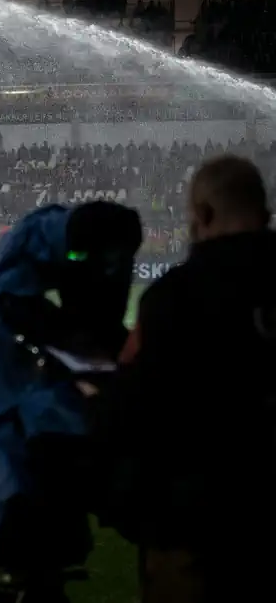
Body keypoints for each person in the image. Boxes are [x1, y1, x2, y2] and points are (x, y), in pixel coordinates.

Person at [91, 155, 276, 603]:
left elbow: (130, 414)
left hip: (197, 529)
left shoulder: (173, 297)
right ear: (266, 215)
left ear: (203, 215)